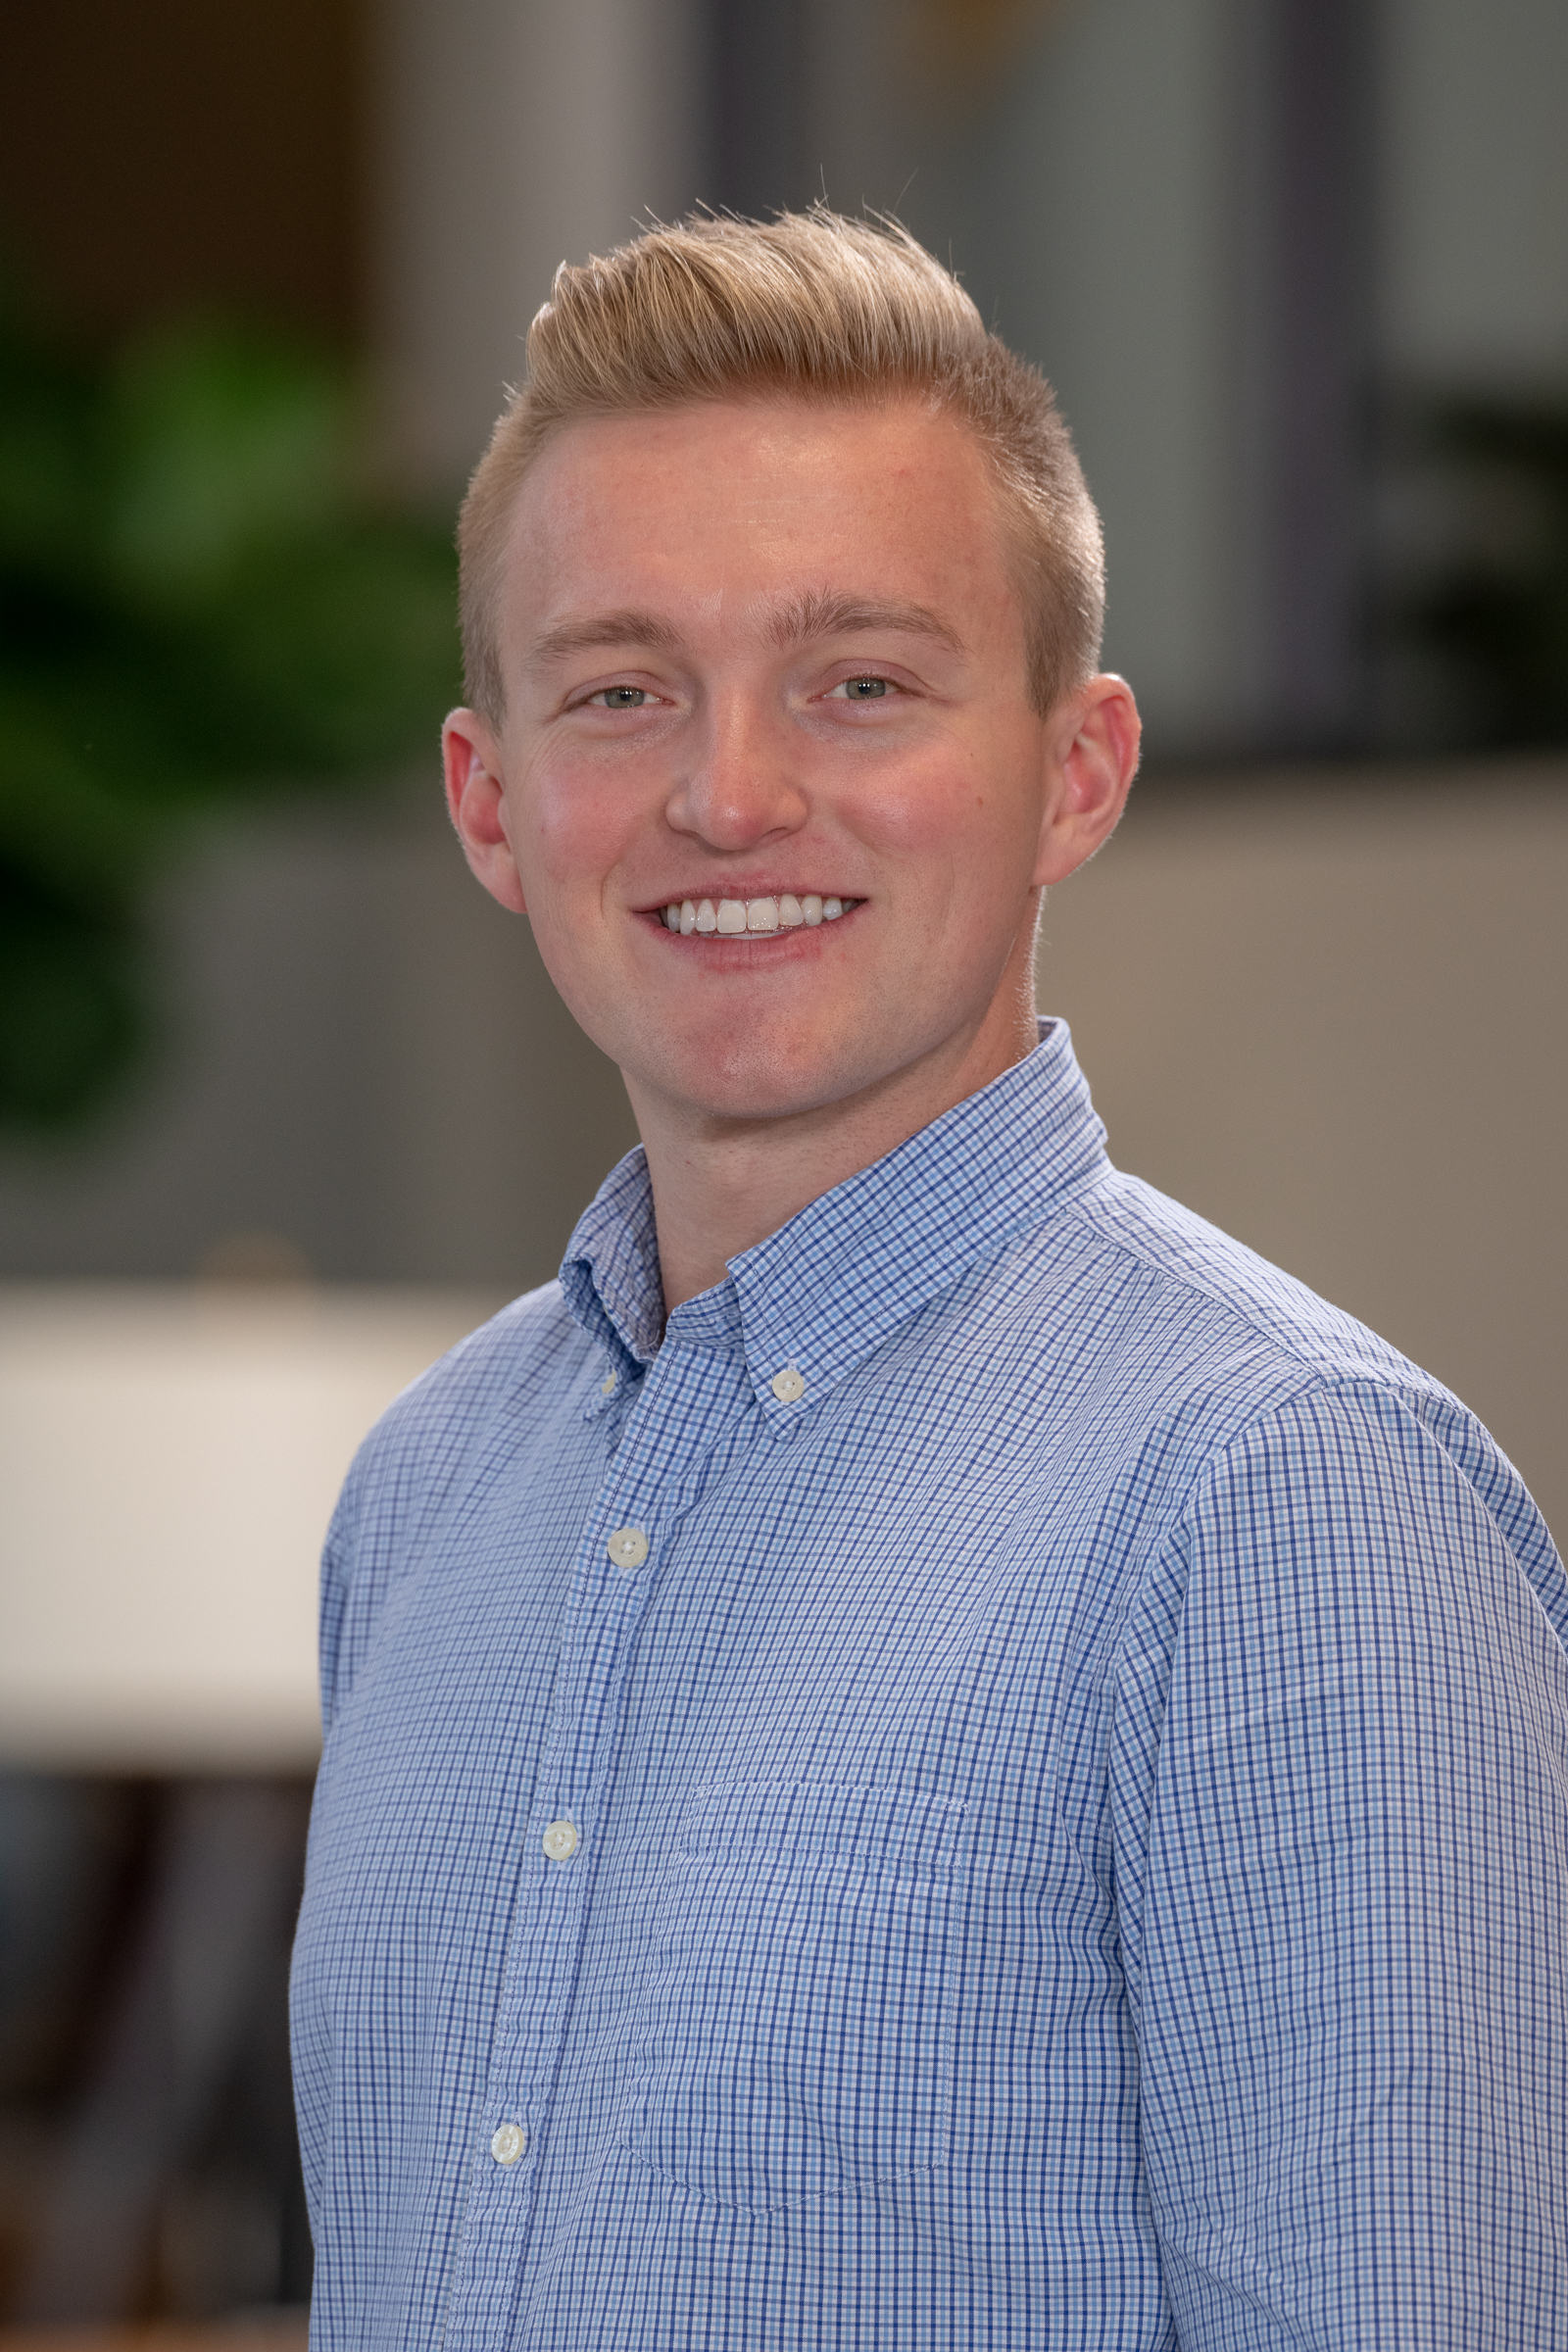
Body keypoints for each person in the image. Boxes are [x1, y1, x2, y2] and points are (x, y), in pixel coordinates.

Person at [289, 211, 1567, 2349]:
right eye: (621, 693)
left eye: (860, 684)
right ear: (489, 802)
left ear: (1075, 771)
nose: (729, 795)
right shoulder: (423, 1498)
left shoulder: (1285, 1504)